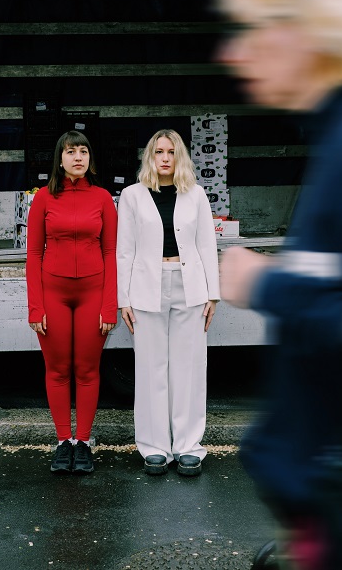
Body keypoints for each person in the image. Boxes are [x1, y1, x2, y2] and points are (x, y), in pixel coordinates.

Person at [217, 0, 342, 569]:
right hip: (325, 517)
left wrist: (267, 286)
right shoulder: (339, 135)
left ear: (311, 30)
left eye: (254, 28)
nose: (233, 52)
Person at [117, 129, 220, 477]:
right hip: (146, 287)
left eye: (171, 152)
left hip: (190, 286)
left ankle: (188, 446)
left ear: (180, 157)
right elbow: (124, 250)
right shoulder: (132, 196)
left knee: (189, 368)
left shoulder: (196, 194)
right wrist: (123, 298)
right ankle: (154, 447)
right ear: (150, 156)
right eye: (158, 151)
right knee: (151, 368)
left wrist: (212, 294)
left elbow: (207, 246)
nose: (165, 158)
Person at [26, 130, 117, 475]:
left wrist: (109, 305)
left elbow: (111, 252)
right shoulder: (43, 199)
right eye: (70, 152)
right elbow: (33, 255)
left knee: (87, 370)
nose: (78, 157)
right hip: (54, 294)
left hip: (93, 292)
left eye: (83, 151)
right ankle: (63, 441)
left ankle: (84, 442)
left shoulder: (103, 198)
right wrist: (35, 306)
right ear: (60, 159)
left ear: (90, 158)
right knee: (58, 369)